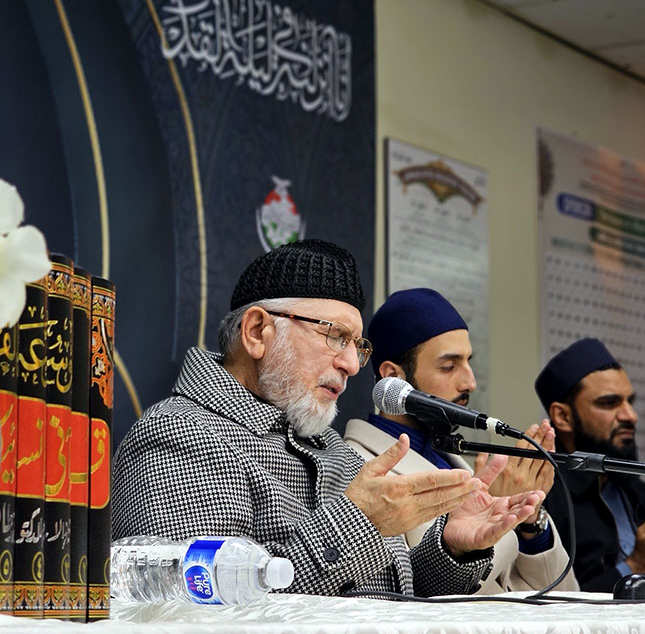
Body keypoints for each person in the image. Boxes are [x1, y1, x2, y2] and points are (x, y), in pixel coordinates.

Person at [111, 240, 543, 597]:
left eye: (358, 345)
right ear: (258, 332)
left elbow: (392, 598)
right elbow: (202, 608)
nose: (353, 364)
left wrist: (451, 549)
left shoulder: (333, 449)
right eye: (335, 336)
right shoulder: (180, 433)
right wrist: (361, 521)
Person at [343, 288, 578, 593]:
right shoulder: (358, 469)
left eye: (468, 362)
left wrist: (531, 522)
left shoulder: (454, 460)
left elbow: (562, 599)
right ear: (393, 378)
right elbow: (408, 603)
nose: (470, 382)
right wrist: (494, 519)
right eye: (449, 366)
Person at [536, 338, 645, 592]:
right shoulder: (542, 498)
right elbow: (545, 604)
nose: (631, 416)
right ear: (563, 417)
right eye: (609, 403)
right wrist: (637, 567)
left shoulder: (640, 493)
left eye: (629, 401)